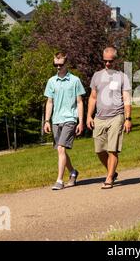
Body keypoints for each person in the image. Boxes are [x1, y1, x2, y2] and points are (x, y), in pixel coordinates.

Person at [87, 46, 132, 189]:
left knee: (113, 149)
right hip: (100, 117)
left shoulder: (122, 76)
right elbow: (93, 97)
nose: (107, 64)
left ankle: (109, 178)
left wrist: (128, 119)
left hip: (116, 116)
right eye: (105, 61)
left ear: (115, 61)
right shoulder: (97, 76)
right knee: (99, 150)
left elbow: (126, 98)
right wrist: (89, 115)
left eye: (110, 61)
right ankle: (112, 172)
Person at [43, 52, 86, 190]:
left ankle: (59, 180)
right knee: (61, 151)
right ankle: (73, 172)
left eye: (60, 65)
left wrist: (80, 121)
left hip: (70, 119)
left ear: (66, 64)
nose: (58, 67)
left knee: (61, 148)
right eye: (55, 64)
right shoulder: (51, 81)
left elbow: (79, 102)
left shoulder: (75, 81)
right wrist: (47, 120)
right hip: (56, 120)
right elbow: (49, 102)